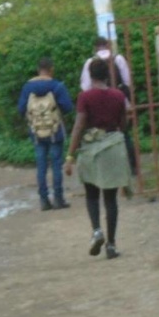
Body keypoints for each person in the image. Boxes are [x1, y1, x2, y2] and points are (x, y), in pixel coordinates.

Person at [64, 57, 131, 260]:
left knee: (92, 195)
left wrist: (70, 156)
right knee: (111, 199)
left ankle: (96, 231)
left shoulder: (85, 97)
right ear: (107, 75)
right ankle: (111, 245)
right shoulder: (118, 96)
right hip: (112, 148)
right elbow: (124, 124)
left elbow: (79, 126)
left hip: (91, 150)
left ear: (90, 76)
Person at [17, 57, 74, 211]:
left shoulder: (27, 88)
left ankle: (43, 200)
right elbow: (68, 107)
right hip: (55, 131)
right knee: (56, 164)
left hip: (36, 132)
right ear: (51, 69)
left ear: (38, 70)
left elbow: (21, 109)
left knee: (41, 165)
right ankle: (58, 199)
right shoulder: (57, 86)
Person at [80, 36, 138, 174]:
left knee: (97, 134)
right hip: (118, 100)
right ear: (108, 45)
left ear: (95, 47)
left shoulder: (90, 62)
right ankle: (132, 166)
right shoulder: (118, 59)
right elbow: (128, 82)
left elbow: (85, 86)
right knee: (123, 133)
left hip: (96, 103)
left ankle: (103, 167)